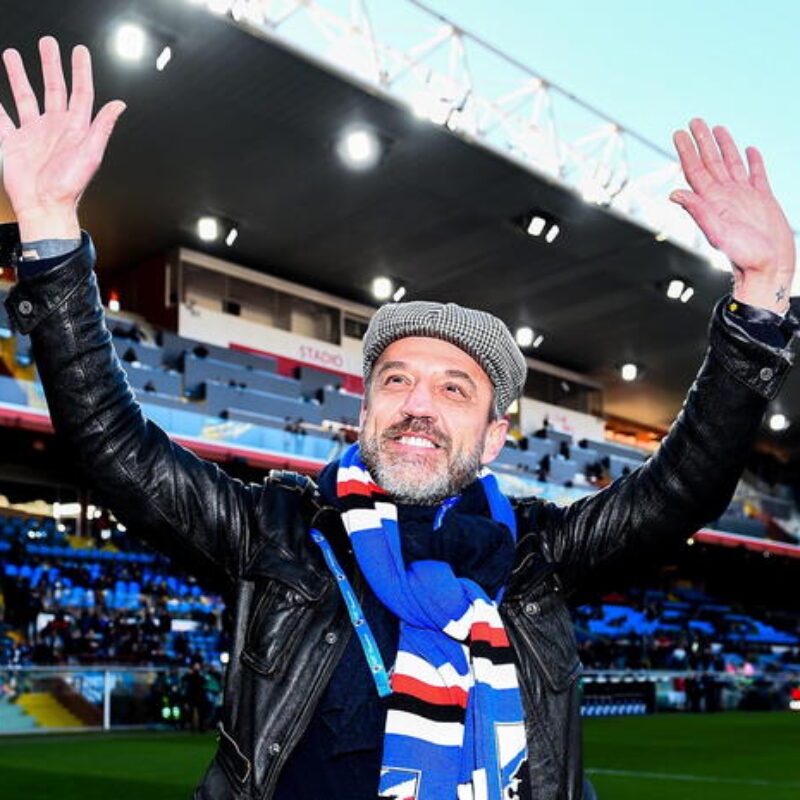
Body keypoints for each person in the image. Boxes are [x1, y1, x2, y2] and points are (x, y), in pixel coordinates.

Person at [1, 36, 798, 800]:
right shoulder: (276, 534)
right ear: (365, 408)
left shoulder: (536, 558)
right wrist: (49, 237)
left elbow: (682, 488)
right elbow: (112, 445)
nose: (419, 403)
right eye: (398, 381)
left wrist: (759, 296)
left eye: (455, 389)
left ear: (494, 438)